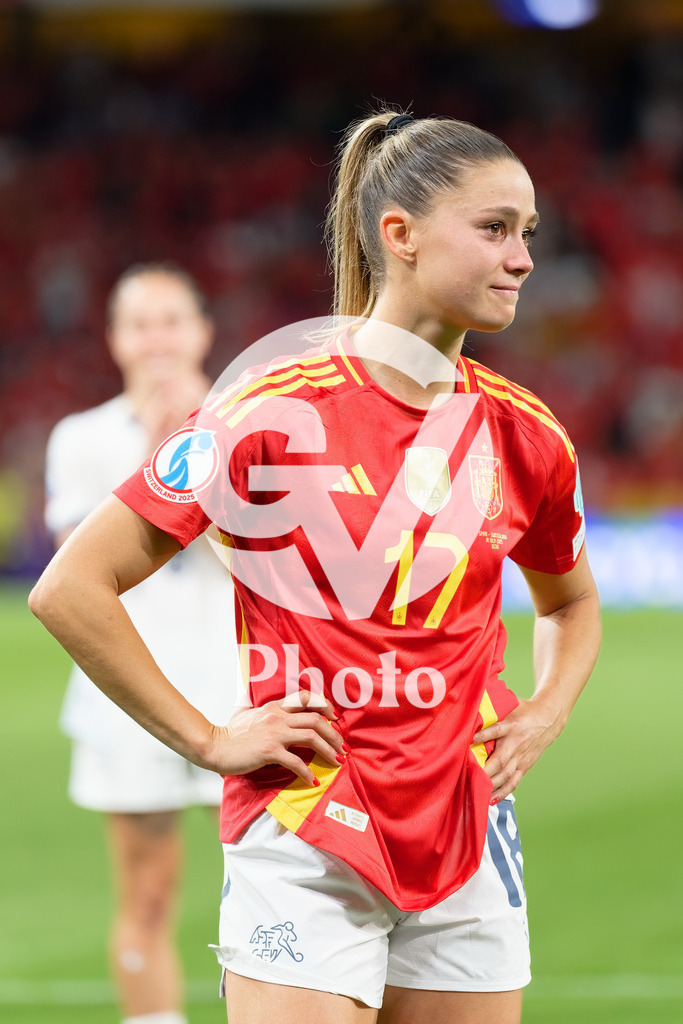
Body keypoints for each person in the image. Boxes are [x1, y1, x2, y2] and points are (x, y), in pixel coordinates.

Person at [30, 110, 601, 1024]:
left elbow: (569, 602)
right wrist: (210, 742)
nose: (523, 258)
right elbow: (71, 588)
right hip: (303, 822)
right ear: (400, 235)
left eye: (527, 233)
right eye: (494, 229)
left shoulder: (526, 434)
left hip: (466, 823)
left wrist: (544, 711)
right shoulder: (266, 414)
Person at [43, 263, 241, 1024]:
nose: (157, 339)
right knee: (148, 892)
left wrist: (199, 445)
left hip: (240, 688)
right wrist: (156, 464)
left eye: (171, 320)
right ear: (114, 339)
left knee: (269, 882)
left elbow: (270, 558)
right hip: (126, 694)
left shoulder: (247, 427)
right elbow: (77, 572)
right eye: (139, 323)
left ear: (201, 331)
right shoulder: (83, 438)